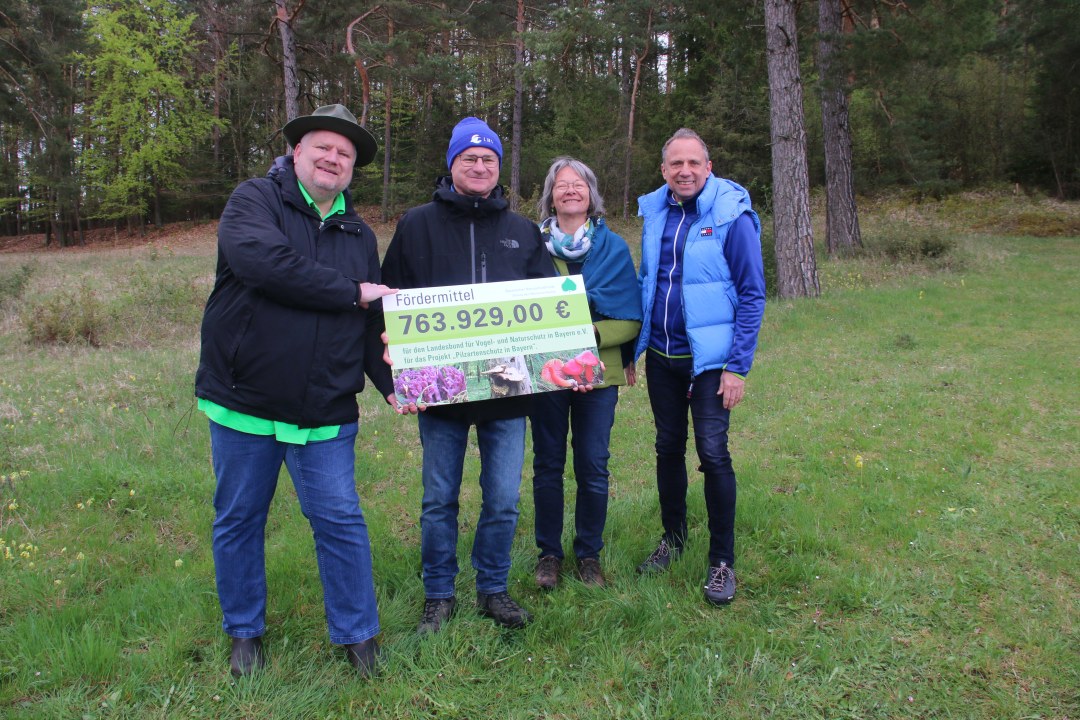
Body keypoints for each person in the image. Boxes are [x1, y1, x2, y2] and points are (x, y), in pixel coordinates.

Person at [195, 104, 398, 677]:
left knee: (339, 519)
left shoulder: (359, 233)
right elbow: (265, 265)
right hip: (245, 402)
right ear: (296, 152)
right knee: (239, 518)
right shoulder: (254, 201)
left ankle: (359, 639)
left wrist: (393, 386)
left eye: (345, 153)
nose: (333, 159)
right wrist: (350, 291)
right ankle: (244, 634)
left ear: (352, 168)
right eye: (323, 148)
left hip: (324, 406)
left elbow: (366, 319)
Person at [381, 117, 556, 634]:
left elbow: (547, 308)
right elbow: (391, 301)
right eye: (469, 159)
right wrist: (397, 370)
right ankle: (439, 594)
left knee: (503, 497)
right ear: (452, 164)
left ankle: (493, 588)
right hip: (442, 387)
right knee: (439, 498)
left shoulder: (522, 231)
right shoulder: (417, 224)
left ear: (499, 168)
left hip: (506, 384)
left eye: (489, 160)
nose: (479, 167)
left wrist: (569, 359)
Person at [632, 128, 766, 606]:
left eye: (694, 163)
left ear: (708, 168)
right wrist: (634, 350)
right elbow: (648, 283)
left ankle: (721, 561)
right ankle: (674, 538)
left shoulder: (733, 215)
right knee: (667, 447)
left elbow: (752, 293)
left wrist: (737, 366)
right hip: (663, 358)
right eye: (675, 164)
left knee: (713, 454)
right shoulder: (655, 213)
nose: (684, 171)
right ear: (664, 170)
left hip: (711, 363)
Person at [530, 157, 642, 590]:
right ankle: (548, 555)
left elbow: (631, 317)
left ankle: (588, 554)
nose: (571, 191)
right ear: (551, 196)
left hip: (599, 373)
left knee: (593, 464)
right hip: (546, 370)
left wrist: (587, 331)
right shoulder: (531, 245)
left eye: (578, 184)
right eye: (562, 185)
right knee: (547, 463)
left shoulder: (612, 247)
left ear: (591, 194)